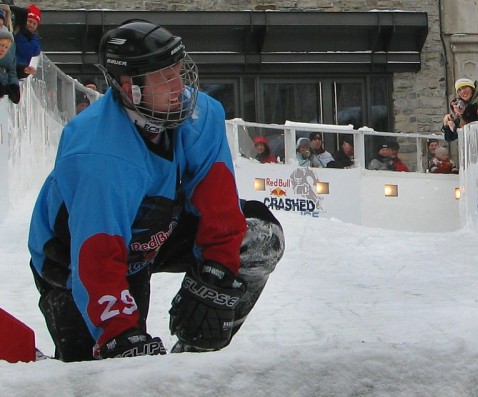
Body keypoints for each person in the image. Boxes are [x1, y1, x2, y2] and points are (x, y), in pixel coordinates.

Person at [28, 20, 285, 362]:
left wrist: (216, 275)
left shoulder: (201, 115)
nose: (179, 86)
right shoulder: (99, 155)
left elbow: (219, 205)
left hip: (155, 233)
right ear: (127, 87)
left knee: (260, 237)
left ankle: (194, 355)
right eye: (163, 78)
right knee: (108, 372)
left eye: (179, 71)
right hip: (75, 259)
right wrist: (119, 334)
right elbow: (97, 255)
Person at [12, 4, 41, 78]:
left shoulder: (34, 38)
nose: (31, 25)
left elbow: (36, 52)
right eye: (30, 21)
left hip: (24, 71)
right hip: (16, 69)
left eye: (34, 23)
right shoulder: (17, 33)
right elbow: (26, 50)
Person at [0, 29, 20, 104]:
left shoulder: (10, 57)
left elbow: (12, 72)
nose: (3, 49)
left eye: (6, 47)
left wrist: (14, 86)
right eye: (1, 45)